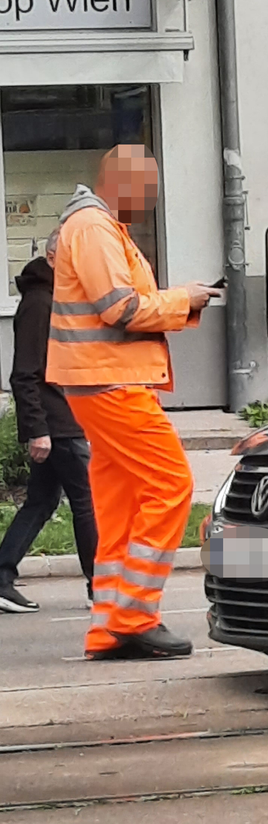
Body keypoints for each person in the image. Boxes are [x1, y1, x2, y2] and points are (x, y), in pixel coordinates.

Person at [45, 145, 221, 660]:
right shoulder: (96, 228)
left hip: (95, 383)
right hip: (110, 383)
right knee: (171, 484)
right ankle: (134, 616)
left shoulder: (96, 226)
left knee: (119, 500)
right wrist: (183, 299)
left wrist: (178, 300)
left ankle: (109, 626)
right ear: (116, 182)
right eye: (145, 187)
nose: (150, 197)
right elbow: (120, 308)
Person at [0, 229, 97, 613]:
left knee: (41, 502)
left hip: (63, 417)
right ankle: (100, 585)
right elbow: (24, 373)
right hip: (58, 422)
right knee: (88, 501)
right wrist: (37, 429)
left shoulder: (56, 297)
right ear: (56, 258)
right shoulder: (40, 302)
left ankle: (2, 576)